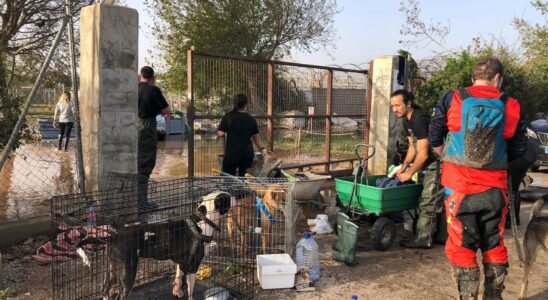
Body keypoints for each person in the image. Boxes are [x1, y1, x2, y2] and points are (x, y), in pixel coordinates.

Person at [429, 57, 527, 299]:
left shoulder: (453, 98)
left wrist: (448, 158)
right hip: (495, 189)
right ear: (498, 79)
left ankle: (468, 296)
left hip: (458, 188)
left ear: (473, 78)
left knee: (462, 245)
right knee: (494, 243)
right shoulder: (511, 104)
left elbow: (434, 137)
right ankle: (494, 296)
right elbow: (518, 150)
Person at [389, 89, 444, 249]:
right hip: (429, 161)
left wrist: (410, 173)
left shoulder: (420, 119)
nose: (395, 109)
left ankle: (424, 239)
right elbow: (413, 149)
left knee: (429, 199)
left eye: (398, 105)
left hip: (438, 162)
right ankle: (438, 235)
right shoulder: (406, 121)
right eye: (392, 106)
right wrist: (403, 167)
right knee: (431, 199)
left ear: (408, 103)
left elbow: (424, 153)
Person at [138, 66, 171, 211]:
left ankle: (133, 200)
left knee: (133, 164)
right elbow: (167, 111)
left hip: (129, 126)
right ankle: (142, 203)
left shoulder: (132, 88)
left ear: (140, 76)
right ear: (153, 77)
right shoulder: (154, 90)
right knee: (145, 164)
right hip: (146, 127)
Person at [216, 93, 265, 176]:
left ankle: (229, 189)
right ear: (246, 104)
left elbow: (220, 134)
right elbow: (256, 138)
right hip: (247, 154)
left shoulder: (228, 117)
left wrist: (218, 132)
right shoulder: (251, 119)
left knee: (228, 179)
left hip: (232, 154)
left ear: (234, 103)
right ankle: (243, 189)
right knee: (244, 179)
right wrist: (262, 149)